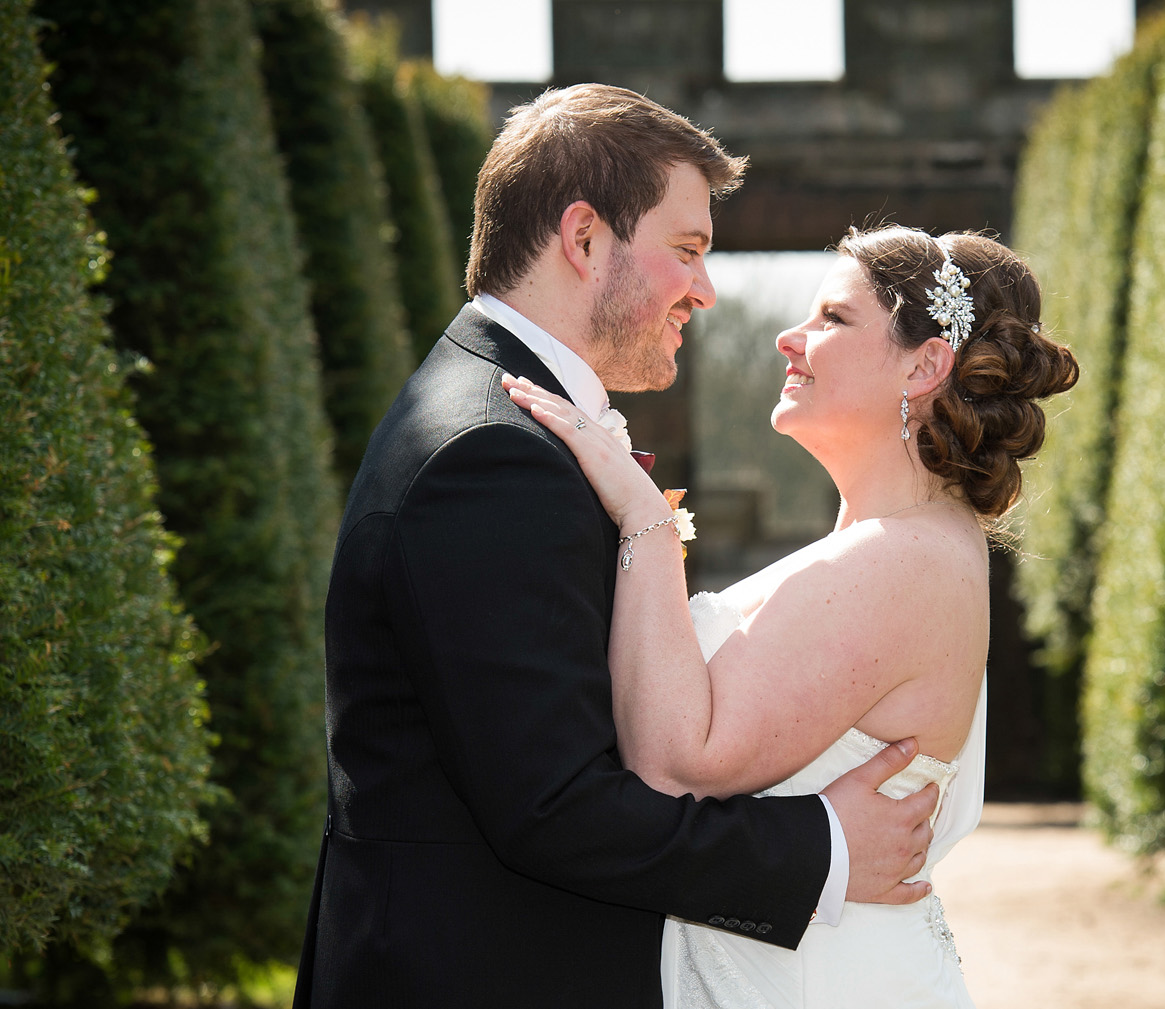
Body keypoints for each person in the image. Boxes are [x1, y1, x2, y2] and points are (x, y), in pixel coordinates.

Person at [291, 84, 943, 1009]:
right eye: (687, 252)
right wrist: (824, 847)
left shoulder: (501, 417)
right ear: (585, 238)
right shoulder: (488, 454)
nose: (707, 291)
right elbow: (555, 808)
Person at [505, 223, 1079, 1007]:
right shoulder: (906, 545)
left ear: (925, 363)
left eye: (832, 319)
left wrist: (643, 519)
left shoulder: (898, 559)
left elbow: (675, 764)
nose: (788, 336)